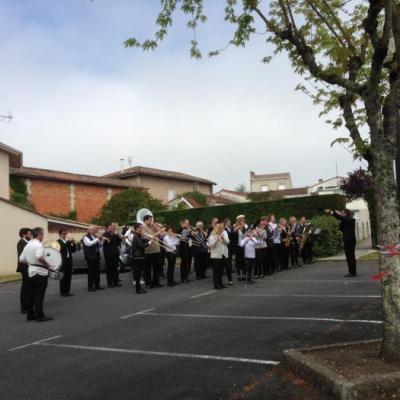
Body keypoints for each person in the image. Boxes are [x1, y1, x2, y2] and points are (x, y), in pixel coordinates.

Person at [19, 227, 52, 322]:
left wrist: (30, 262)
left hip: (31, 272)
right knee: (39, 295)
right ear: (40, 234)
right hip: (40, 272)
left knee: (31, 294)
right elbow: (39, 257)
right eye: (43, 234)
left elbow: (21, 259)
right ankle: (40, 315)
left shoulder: (28, 244)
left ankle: (30, 315)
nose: (43, 236)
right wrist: (47, 264)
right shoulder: (39, 245)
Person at [326, 208, 357, 277]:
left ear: (346, 213)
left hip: (350, 241)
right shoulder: (344, 220)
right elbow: (340, 220)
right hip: (347, 240)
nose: (341, 214)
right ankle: (352, 271)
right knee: (349, 257)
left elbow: (340, 217)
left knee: (350, 257)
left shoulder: (350, 219)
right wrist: (334, 214)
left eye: (342, 213)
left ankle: (352, 272)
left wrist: (332, 212)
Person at [142, 215, 163, 288]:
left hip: (157, 249)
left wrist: (156, 227)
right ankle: (148, 283)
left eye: (151, 220)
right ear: (145, 220)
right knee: (148, 269)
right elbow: (146, 237)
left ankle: (156, 282)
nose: (151, 221)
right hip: (148, 251)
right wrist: (155, 234)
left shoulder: (153, 226)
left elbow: (160, 234)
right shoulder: (143, 227)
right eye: (150, 220)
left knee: (157, 267)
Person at [207, 223, 230, 289]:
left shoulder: (223, 234)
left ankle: (220, 283)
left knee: (221, 271)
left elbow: (228, 242)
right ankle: (216, 285)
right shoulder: (212, 236)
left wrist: (223, 238)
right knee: (216, 271)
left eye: (220, 228)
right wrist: (217, 239)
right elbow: (211, 245)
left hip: (223, 254)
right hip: (216, 256)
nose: (220, 229)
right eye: (218, 228)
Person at [83, 225, 105, 292]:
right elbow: (89, 244)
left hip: (96, 256)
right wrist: (97, 239)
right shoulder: (85, 237)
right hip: (90, 257)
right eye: (95, 230)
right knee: (91, 272)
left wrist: (102, 240)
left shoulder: (95, 236)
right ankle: (90, 287)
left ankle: (97, 285)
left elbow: (100, 245)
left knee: (97, 272)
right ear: (90, 230)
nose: (96, 231)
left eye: (96, 230)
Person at [131, 222, 151, 294]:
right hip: (137, 258)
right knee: (137, 274)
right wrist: (149, 242)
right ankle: (138, 289)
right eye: (140, 228)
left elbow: (143, 241)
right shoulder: (136, 236)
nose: (142, 229)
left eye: (142, 228)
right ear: (137, 228)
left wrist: (147, 239)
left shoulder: (139, 236)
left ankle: (139, 288)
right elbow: (142, 245)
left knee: (139, 274)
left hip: (140, 257)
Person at [16, 228, 32, 314]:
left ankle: (29, 304)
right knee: (25, 287)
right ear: (24, 234)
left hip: (28, 267)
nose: (30, 235)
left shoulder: (27, 242)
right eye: (29, 234)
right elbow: (22, 257)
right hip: (24, 267)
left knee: (29, 287)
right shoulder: (21, 243)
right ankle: (24, 307)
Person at [57, 229, 76, 296]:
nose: (65, 235)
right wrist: (69, 242)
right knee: (63, 277)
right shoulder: (58, 242)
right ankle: (63, 292)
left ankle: (67, 291)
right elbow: (62, 248)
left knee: (68, 276)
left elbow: (73, 250)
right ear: (59, 234)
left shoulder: (67, 242)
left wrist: (73, 243)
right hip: (62, 261)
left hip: (69, 260)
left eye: (65, 234)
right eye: (63, 234)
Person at [102, 223, 122, 288]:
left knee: (115, 268)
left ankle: (116, 282)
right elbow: (108, 242)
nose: (111, 229)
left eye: (112, 228)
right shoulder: (104, 235)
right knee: (109, 269)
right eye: (110, 228)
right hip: (108, 255)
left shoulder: (113, 234)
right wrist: (112, 234)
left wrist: (118, 235)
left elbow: (119, 241)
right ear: (107, 228)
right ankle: (110, 283)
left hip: (115, 253)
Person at [232, 215, 247, 281]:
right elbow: (232, 235)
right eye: (242, 220)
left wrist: (243, 228)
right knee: (238, 261)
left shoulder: (245, 226)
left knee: (243, 260)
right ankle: (239, 275)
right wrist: (237, 229)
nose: (243, 221)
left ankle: (244, 274)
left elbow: (246, 234)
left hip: (243, 245)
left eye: (243, 220)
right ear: (239, 220)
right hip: (237, 246)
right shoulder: (234, 226)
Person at [177, 219, 191, 283]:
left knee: (187, 263)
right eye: (187, 223)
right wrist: (186, 232)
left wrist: (190, 233)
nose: (188, 224)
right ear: (183, 223)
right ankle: (183, 277)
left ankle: (186, 276)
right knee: (183, 263)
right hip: (182, 248)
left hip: (187, 247)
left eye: (188, 223)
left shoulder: (186, 229)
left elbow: (189, 237)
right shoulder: (179, 229)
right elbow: (181, 238)